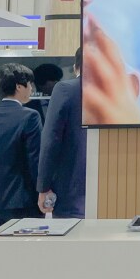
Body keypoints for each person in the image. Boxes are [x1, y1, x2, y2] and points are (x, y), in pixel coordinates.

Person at [0, 63, 43, 230]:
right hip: (25, 201)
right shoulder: (30, 117)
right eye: (29, 84)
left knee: (0, 244)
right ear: (19, 86)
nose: (31, 89)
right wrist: (42, 190)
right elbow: (35, 161)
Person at [37, 49, 88, 219]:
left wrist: (43, 187)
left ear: (75, 67)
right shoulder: (119, 91)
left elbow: (51, 139)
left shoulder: (66, 89)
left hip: (71, 190)